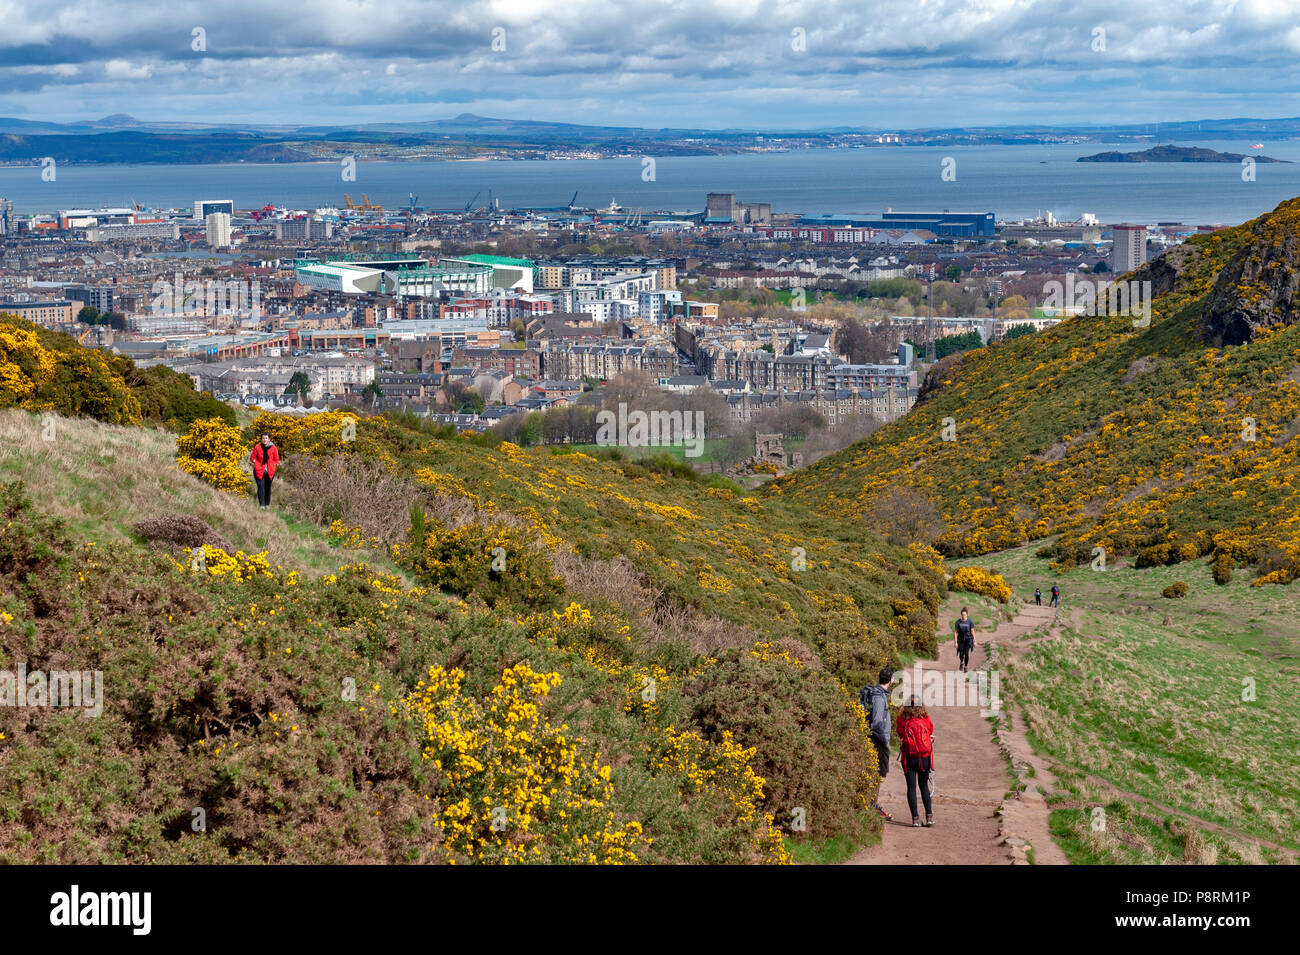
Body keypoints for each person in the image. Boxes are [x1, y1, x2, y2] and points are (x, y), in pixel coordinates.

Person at [859, 667, 895, 821]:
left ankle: (871, 804)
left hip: (876, 740)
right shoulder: (879, 698)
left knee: (877, 774)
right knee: (878, 774)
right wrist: (884, 741)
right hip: (878, 742)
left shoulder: (877, 693)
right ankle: (872, 806)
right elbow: (877, 722)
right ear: (891, 679)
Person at [897, 695, 935, 828]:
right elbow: (930, 731)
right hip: (924, 757)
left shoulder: (902, 719)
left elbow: (900, 732)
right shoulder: (925, 718)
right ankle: (929, 817)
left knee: (911, 788)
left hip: (908, 757)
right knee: (924, 786)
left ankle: (915, 819)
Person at [250, 432, 279, 510]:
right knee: (261, 487)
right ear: (261, 439)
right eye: (263, 438)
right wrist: (256, 463)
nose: (264, 440)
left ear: (269, 439)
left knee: (268, 487)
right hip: (259, 471)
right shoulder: (257, 447)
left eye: (266, 438)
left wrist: (273, 466)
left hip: (270, 472)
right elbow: (252, 458)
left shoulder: (273, 448)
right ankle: (262, 505)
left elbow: (276, 460)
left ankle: (267, 504)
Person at [953, 608, 975, 673]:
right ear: (961, 615)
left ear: (967, 615)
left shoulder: (970, 622)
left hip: (968, 640)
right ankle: (961, 662)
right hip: (960, 640)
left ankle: (966, 666)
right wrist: (956, 642)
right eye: (962, 615)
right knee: (961, 653)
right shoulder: (958, 622)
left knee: (966, 653)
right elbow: (955, 632)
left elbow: (972, 631)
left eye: (964, 615)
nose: (963, 616)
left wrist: (974, 640)